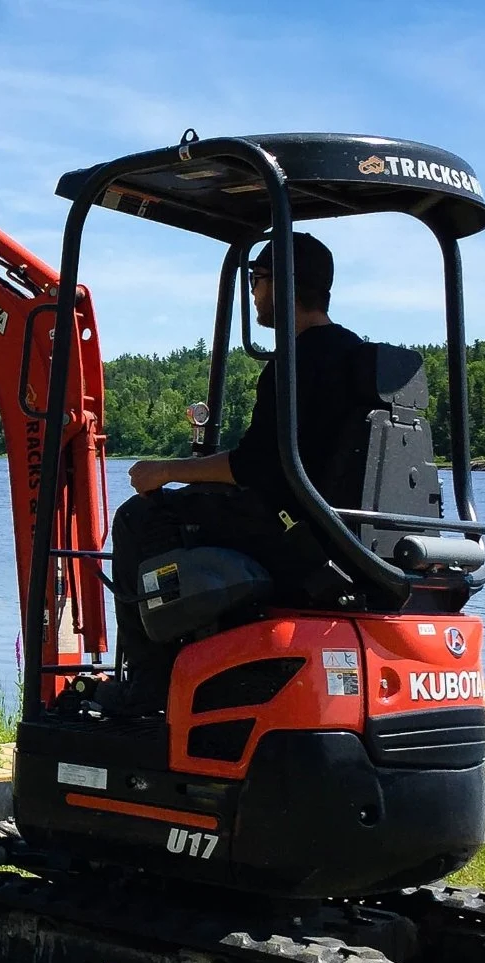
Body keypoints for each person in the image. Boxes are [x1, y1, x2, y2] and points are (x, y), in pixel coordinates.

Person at [94, 232, 371, 716]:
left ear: (284, 284)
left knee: (141, 518)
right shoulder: (360, 358)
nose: (254, 292)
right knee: (198, 500)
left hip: (290, 532)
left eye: (258, 279)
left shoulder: (295, 365)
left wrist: (165, 471)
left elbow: (253, 466)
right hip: (336, 531)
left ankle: (149, 685)